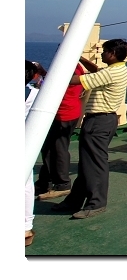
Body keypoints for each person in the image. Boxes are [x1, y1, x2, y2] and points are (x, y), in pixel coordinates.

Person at [52, 38, 127, 219]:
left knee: (95, 164)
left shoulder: (111, 73)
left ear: (111, 54)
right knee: (88, 164)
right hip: (104, 120)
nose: (101, 54)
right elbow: (97, 71)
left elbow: (75, 80)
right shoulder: (119, 69)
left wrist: (52, 75)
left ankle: (96, 203)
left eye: (104, 51)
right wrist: (80, 58)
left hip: (98, 121)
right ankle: (74, 201)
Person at [35, 61, 85, 200]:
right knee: (50, 149)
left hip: (64, 114)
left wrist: (42, 72)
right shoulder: (77, 67)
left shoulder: (69, 68)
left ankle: (62, 184)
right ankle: (45, 182)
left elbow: (57, 82)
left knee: (58, 149)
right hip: (70, 112)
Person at [25, 61, 47, 246]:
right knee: (25, 183)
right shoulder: (37, 94)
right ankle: (25, 225)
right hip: (26, 143)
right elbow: (53, 83)